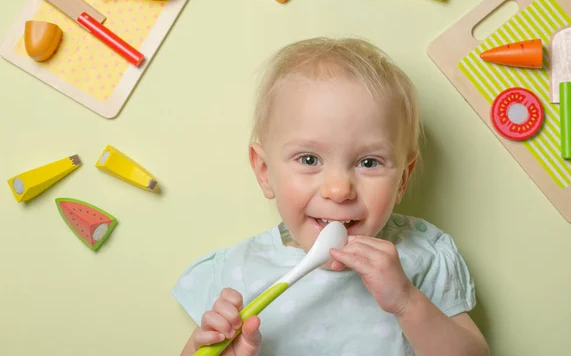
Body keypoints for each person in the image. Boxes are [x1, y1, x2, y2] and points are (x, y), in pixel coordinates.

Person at [173, 37, 490, 356]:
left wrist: (407, 302)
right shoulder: (236, 274)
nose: (339, 190)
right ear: (265, 171)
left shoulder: (423, 257)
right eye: (309, 159)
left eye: (369, 162)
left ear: (402, 179)